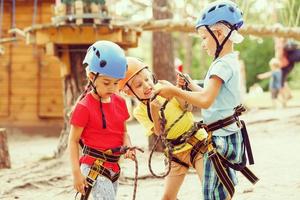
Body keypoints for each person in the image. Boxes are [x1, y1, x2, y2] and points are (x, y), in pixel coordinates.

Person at [154, 1, 257, 199]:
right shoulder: (228, 61)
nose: (202, 44)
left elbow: (206, 101)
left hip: (221, 137)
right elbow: (213, 97)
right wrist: (191, 85)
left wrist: (175, 91)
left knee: (215, 194)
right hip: (228, 133)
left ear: (219, 34)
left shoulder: (221, 66)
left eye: (203, 37)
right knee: (220, 189)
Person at [118, 57, 207, 200]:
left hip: (197, 143)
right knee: (167, 197)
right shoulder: (140, 111)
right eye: (139, 85)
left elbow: (188, 107)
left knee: (209, 187)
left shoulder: (164, 86)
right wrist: (154, 109)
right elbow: (159, 132)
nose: (147, 86)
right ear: (129, 92)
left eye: (148, 79)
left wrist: (177, 91)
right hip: (176, 153)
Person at [68, 40, 135, 200]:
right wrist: (76, 174)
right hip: (93, 167)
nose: (112, 88)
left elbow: (123, 132)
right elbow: (72, 141)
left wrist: (129, 146)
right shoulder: (84, 107)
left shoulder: (120, 103)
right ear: (92, 76)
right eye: (106, 83)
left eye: (116, 83)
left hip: (114, 168)